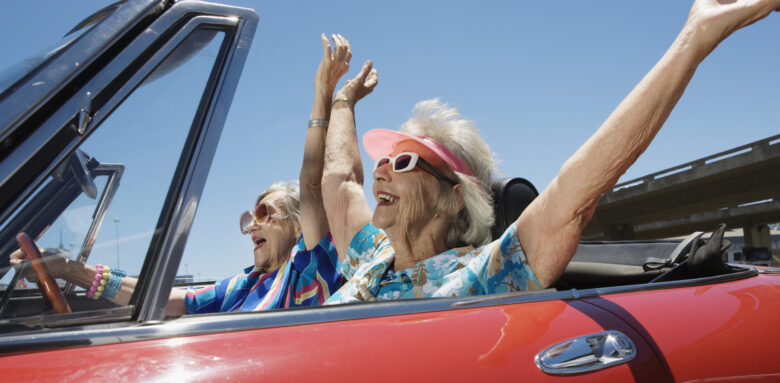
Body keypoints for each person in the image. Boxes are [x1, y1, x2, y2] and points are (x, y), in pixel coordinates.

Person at [320, 0, 779, 303]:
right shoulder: (369, 253)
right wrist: (341, 100)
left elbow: (574, 193)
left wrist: (693, 41)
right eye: (383, 160)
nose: (380, 170)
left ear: (453, 197)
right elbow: (339, 179)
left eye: (403, 162)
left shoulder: (486, 273)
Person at [11, 34, 353, 315]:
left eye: (264, 214)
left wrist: (323, 95)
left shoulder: (309, 266)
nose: (251, 225)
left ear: (299, 224)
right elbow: (174, 301)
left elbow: (311, 184)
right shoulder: (245, 284)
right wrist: (69, 269)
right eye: (250, 216)